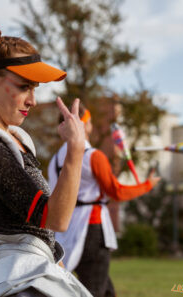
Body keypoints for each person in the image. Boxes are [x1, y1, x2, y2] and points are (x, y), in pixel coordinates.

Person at [0, 27, 92, 297]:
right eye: (23, 87)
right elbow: (54, 219)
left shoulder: (13, 140)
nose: (32, 100)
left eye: (34, 89)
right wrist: (75, 150)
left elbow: (44, 232)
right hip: (17, 279)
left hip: (32, 271)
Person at [47, 106, 161, 297]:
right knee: (95, 288)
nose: (91, 125)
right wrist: (147, 185)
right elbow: (116, 192)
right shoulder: (93, 156)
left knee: (104, 287)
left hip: (65, 229)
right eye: (89, 121)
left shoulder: (55, 160)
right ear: (83, 125)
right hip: (91, 227)